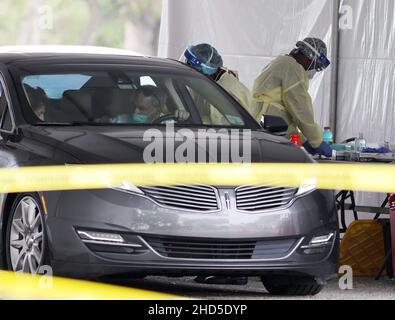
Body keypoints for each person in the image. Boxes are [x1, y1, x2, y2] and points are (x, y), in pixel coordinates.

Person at [251, 37, 332, 157]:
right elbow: (300, 110)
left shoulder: (283, 62)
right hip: (271, 129)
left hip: (264, 124)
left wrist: (303, 140)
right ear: (309, 56)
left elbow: (287, 112)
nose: (313, 69)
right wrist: (317, 141)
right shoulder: (293, 68)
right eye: (315, 64)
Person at [182, 43, 252, 115]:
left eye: (194, 69)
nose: (191, 74)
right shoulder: (201, 83)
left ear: (207, 69)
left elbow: (242, 120)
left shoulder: (231, 89)